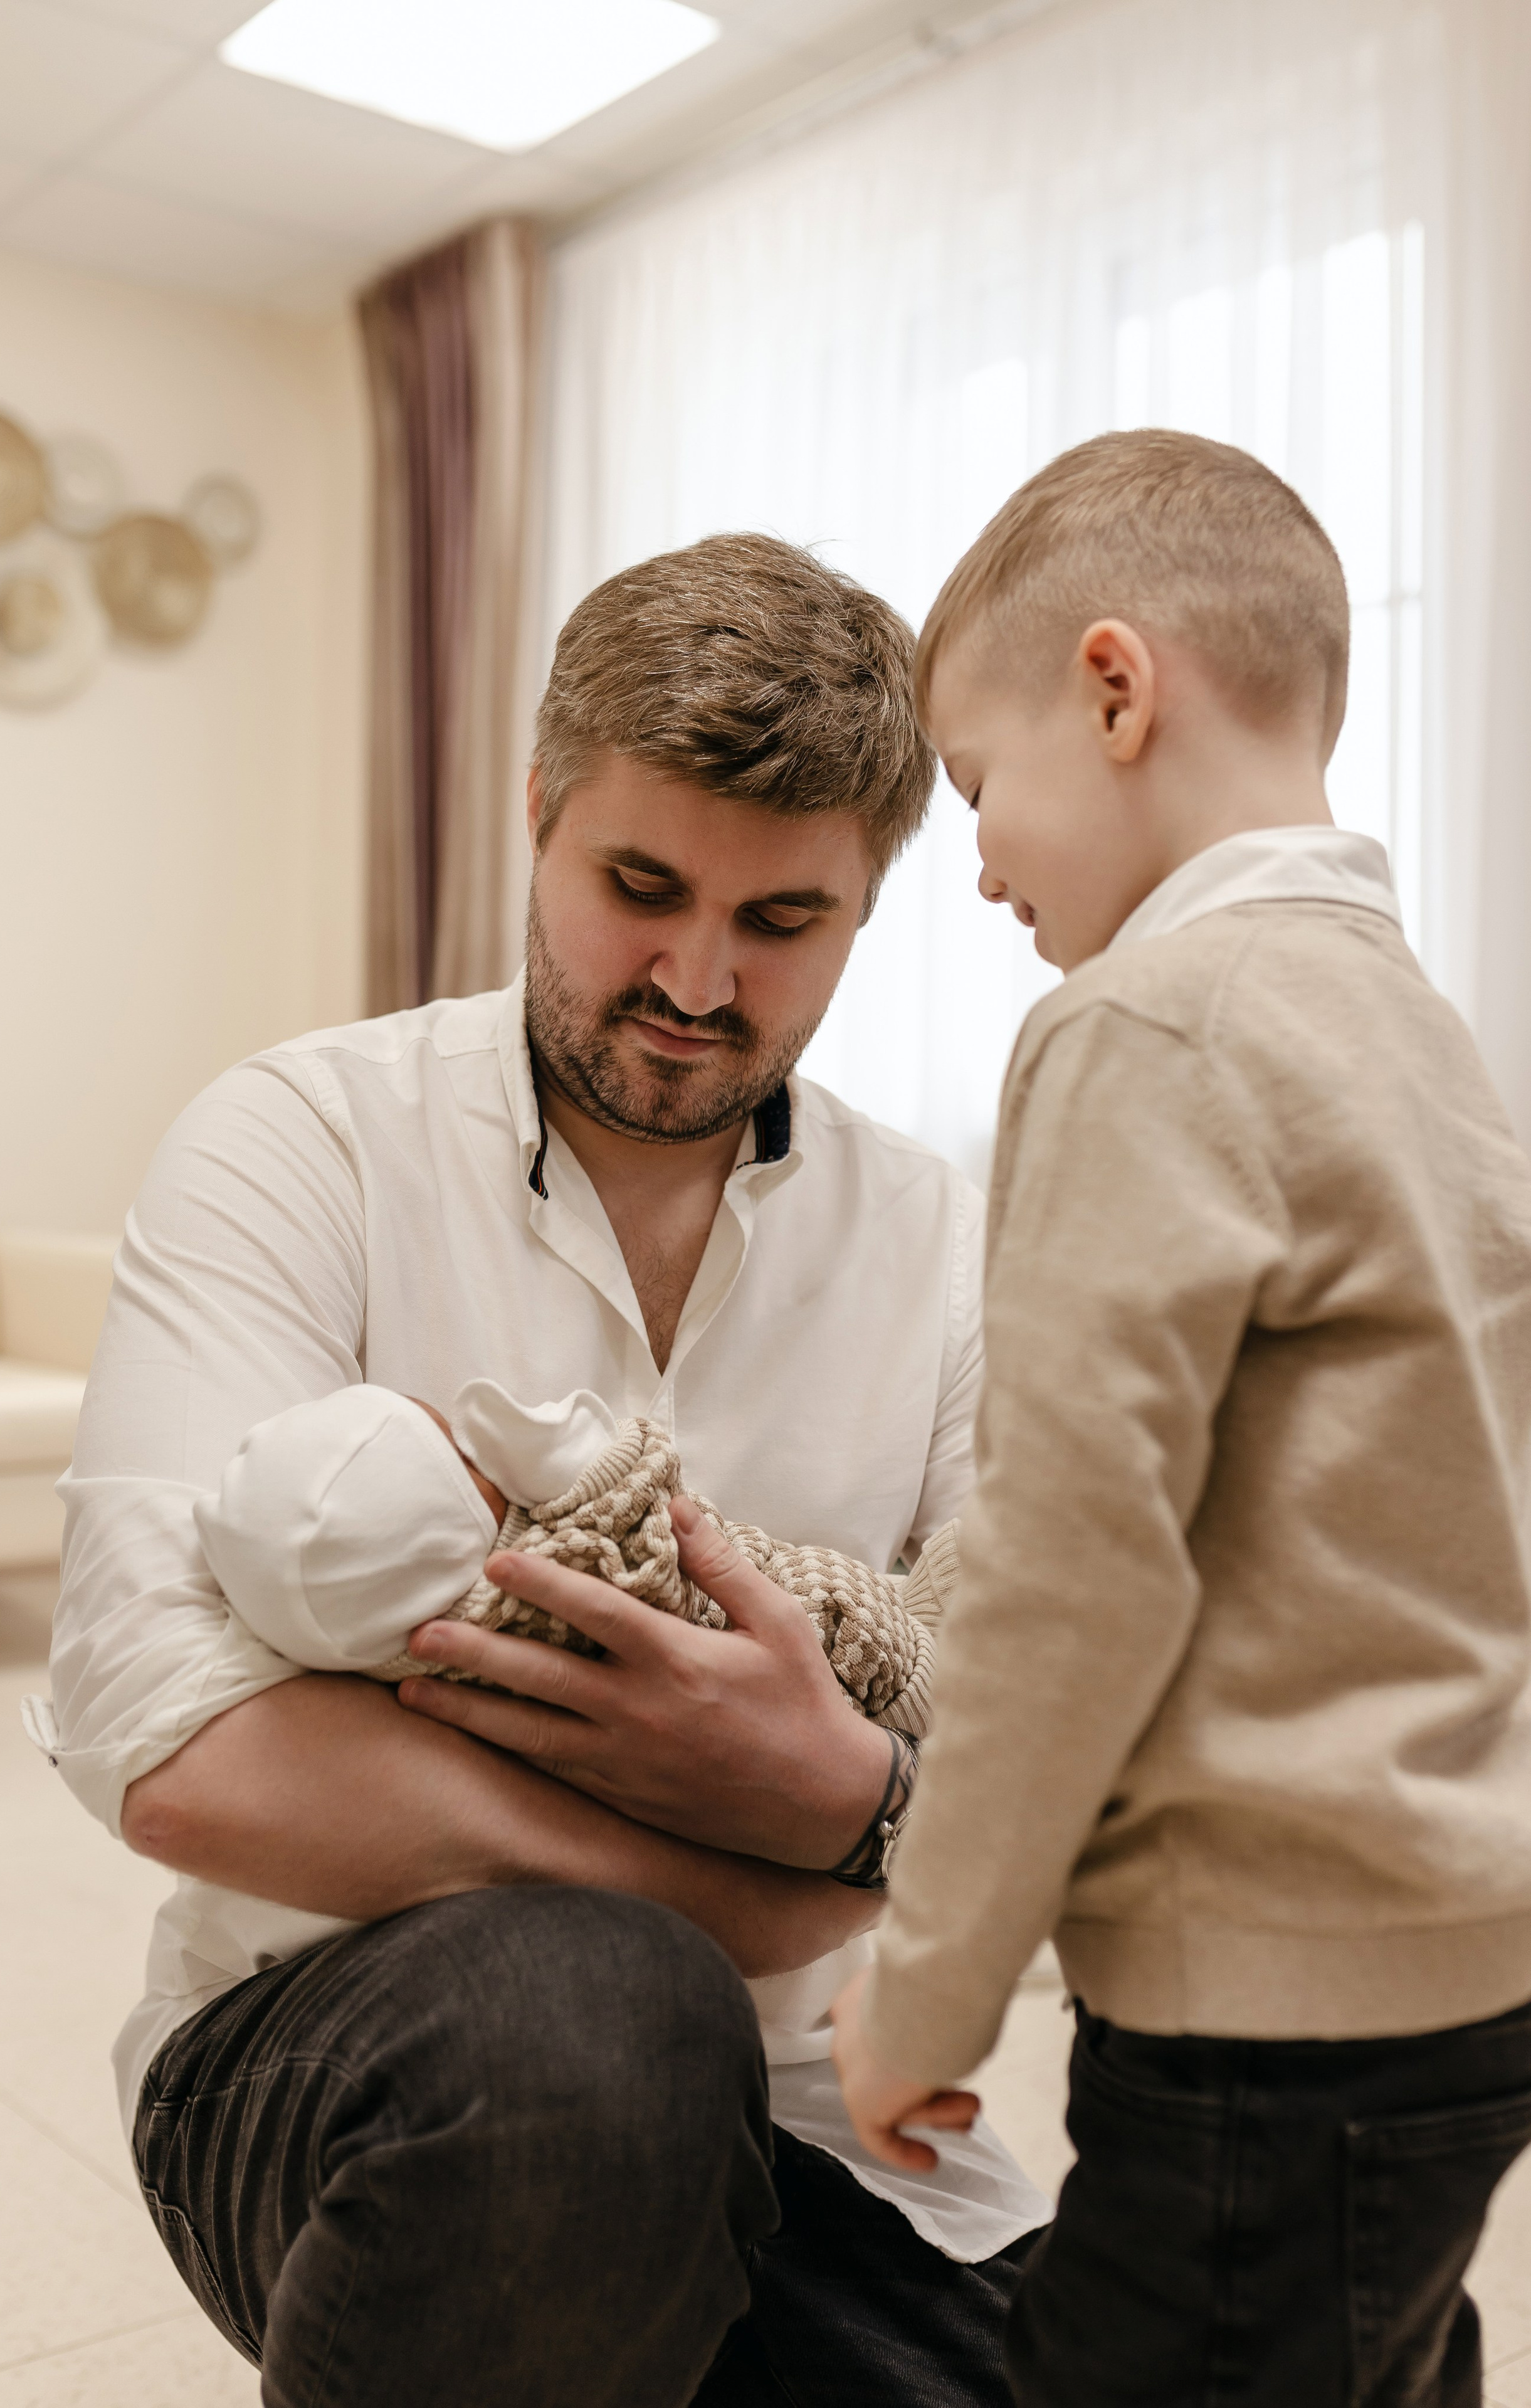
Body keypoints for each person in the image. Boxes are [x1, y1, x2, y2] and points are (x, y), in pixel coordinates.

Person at [34, 532, 1050, 2408]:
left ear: (869, 901)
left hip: (837, 2119)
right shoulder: (302, 1142)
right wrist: (773, 1868)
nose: (694, 977)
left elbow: (1031, 1759)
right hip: (338, 2045)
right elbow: (171, 1748)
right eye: (640, 886)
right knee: (605, 2020)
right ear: (536, 812)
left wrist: (854, 1812)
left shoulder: (949, 1249)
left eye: (783, 923)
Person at [829, 429, 1531, 2405]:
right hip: (1463, 1947)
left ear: (1118, 690)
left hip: (1266, 1990)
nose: (970, 861)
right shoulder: (1413, 1034)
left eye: (977, 785)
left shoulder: (1144, 1026)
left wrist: (930, 1980)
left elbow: (1070, 1570)